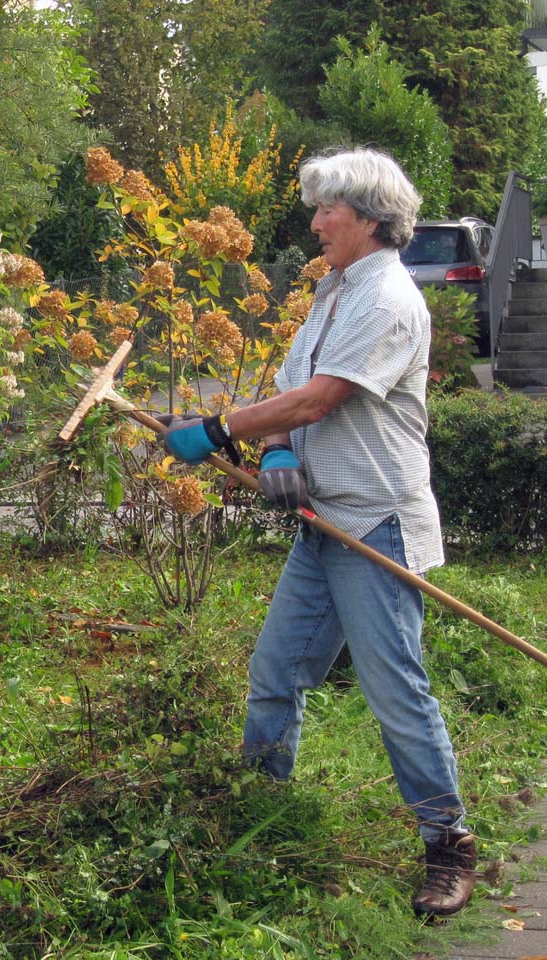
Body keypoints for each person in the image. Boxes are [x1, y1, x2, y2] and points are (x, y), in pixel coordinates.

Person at [157, 147, 475, 917]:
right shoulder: (333, 293)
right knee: (276, 674)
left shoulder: (388, 298)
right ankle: (261, 815)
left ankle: (448, 844)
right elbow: (292, 392)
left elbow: (319, 399)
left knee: (394, 689)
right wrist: (273, 448)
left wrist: (215, 428)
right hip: (323, 521)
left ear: (367, 217)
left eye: (326, 208)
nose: (315, 222)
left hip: (377, 524)